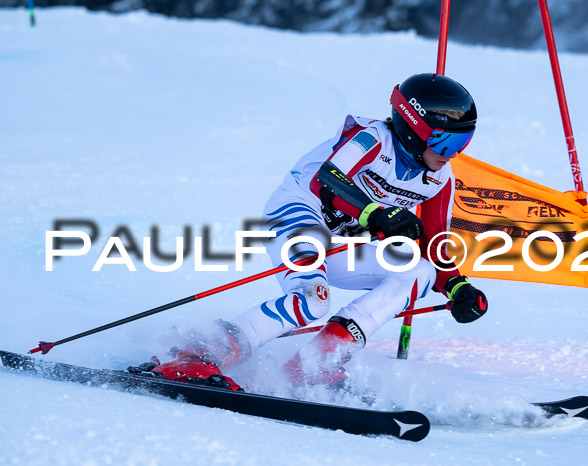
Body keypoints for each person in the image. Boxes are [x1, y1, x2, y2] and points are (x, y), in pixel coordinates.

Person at [147, 73, 489, 391]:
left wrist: (457, 287)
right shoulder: (371, 140)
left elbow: (433, 246)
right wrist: (376, 214)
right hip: (295, 214)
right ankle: (198, 354)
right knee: (312, 300)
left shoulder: (441, 180)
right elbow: (326, 179)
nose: (453, 155)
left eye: (463, 143)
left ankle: (317, 363)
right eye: (446, 144)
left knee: (418, 270)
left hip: (340, 243)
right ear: (414, 131)